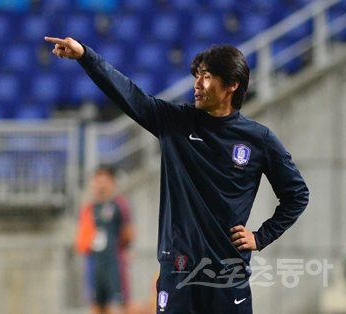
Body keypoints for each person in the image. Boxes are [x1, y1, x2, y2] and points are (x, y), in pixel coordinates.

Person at [45, 36, 309, 314]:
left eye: (206, 77)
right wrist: (86, 55)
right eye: (197, 76)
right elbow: (129, 94)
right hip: (178, 270)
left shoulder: (258, 139)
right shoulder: (174, 123)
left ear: (232, 85)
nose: (197, 84)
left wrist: (261, 236)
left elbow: (297, 195)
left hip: (227, 274)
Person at [75, 165, 135, 314]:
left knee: (120, 304)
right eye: (97, 180)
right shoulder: (89, 207)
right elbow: (82, 236)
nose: (99, 185)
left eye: (104, 180)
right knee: (96, 304)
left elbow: (128, 233)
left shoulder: (119, 204)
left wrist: (121, 249)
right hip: (94, 263)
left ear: (112, 182)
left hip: (114, 262)